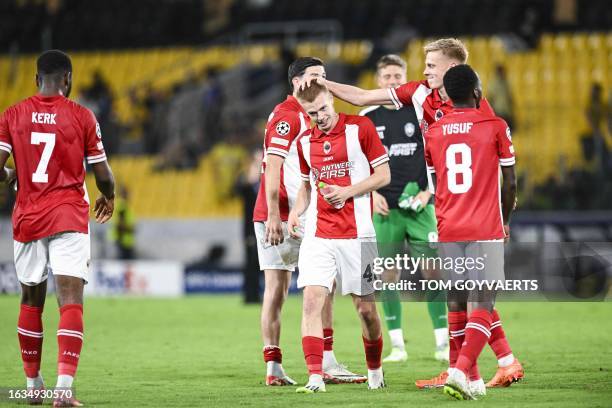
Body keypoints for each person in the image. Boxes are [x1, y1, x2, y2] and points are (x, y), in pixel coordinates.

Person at [318, 37, 523, 389]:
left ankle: (474, 366)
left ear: (453, 68)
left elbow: (488, 169)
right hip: (448, 208)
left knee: (471, 292)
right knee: (460, 292)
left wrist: (497, 217)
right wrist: (325, 84)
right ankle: (488, 365)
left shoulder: (480, 112)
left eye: (431, 65)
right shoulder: (418, 94)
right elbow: (364, 97)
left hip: (465, 210)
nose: (424, 71)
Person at [0, 50, 115, 407]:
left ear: (37, 79)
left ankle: (33, 385)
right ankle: (64, 391)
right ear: (67, 79)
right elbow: (103, 175)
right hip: (67, 214)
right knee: (70, 300)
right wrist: (108, 197)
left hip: (28, 216)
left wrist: (10, 177)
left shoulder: (11, 115)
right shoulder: (81, 116)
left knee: (31, 300)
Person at [252, 57, 366, 386]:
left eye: (325, 76)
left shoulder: (309, 114)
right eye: (315, 76)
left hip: (300, 214)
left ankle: (304, 364)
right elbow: (272, 165)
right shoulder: (290, 116)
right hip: (284, 215)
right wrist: (275, 214)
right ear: (297, 81)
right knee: (288, 288)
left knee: (309, 286)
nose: (322, 81)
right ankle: (294, 364)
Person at [288, 81, 391, 393]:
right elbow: (307, 184)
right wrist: (296, 210)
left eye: (323, 108)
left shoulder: (361, 128)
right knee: (311, 302)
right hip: (319, 235)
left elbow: (383, 175)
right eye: (312, 112)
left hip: (360, 236)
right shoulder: (305, 141)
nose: (320, 116)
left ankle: (375, 370)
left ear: (331, 99)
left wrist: (346, 192)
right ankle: (316, 378)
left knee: (366, 310)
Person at [424, 64, 517, 399]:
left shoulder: (433, 132)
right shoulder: (495, 125)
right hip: (484, 225)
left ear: (446, 95)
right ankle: (461, 371)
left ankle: (473, 379)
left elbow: (437, 184)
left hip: (449, 225)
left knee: (458, 300)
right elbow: (510, 183)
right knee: (483, 300)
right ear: (478, 93)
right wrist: (504, 218)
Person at [359, 54, 449, 364]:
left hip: (421, 206)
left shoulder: (421, 110)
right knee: (386, 277)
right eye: (388, 77)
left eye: (399, 77)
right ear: (379, 80)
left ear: (406, 78)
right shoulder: (368, 117)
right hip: (385, 209)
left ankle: (443, 342)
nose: (394, 82)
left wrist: (429, 192)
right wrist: (371, 195)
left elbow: (440, 154)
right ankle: (397, 346)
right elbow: (358, 167)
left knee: (434, 273)